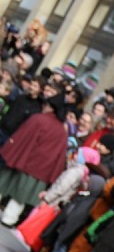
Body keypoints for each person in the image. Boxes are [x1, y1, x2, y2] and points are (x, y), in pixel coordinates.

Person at [0, 94, 68, 226]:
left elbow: (21, 137)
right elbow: (60, 155)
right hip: (41, 169)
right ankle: (9, 219)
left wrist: (10, 151)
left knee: (4, 182)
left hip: (22, 159)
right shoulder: (62, 131)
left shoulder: (38, 119)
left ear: (49, 107)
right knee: (21, 196)